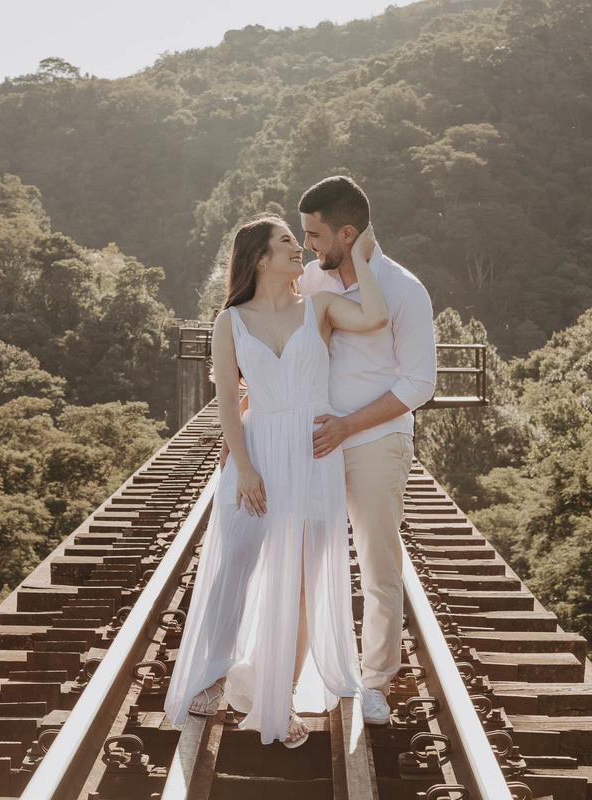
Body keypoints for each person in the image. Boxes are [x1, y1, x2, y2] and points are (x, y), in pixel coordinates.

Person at [163, 213, 387, 747]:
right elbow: (224, 404)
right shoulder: (230, 322)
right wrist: (243, 467)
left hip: (313, 453)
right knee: (236, 562)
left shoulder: (321, 307)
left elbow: (376, 316)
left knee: (306, 579)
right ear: (261, 258)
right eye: (288, 241)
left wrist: (361, 257)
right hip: (259, 448)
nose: (300, 248)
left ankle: (280, 697)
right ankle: (216, 675)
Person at [297, 176, 437, 726]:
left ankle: (375, 680)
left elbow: (419, 384)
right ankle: (312, 668)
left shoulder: (404, 290)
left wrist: (348, 424)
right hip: (315, 444)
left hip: (376, 442)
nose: (307, 244)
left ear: (347, 232)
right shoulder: (312, 278)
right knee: (308, 558)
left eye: (314, 234)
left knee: (378, 564)